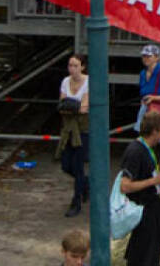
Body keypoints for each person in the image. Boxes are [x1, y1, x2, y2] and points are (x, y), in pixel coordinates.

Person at [120, 110, 160, 266]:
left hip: (153, 208)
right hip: (143, 210)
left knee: (151, 255)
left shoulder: (153, 149)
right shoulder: (135, 151)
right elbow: (125, 186)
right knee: (143, 255)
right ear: (155, 131)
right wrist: (154, 181)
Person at [57, 52, 91, 217]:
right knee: (66, 165)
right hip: (68, 128)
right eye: (70, 65)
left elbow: (84, 108)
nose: (72, 69)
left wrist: (73, 106)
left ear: (82, 67)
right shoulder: (65, 81)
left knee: (78, 166)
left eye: (75, 65)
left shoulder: (88, 82)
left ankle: (76, 201)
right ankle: (86, 184)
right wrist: (73, 106)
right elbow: (62, 105)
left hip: (82, 129)